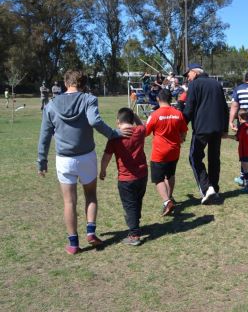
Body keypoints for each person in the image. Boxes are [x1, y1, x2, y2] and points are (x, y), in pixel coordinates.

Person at [37, 70, 131, 254]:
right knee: (91, 195)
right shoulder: (89, 99)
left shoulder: (51, 105)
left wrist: (41, 161)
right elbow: (94, 121)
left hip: (64, 159)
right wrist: (113, 133)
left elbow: (45, 135)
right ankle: (90, 231)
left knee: (69, 202)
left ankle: (73, 244)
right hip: (86, 156)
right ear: (84, 84)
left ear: (66, 83)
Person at [100, 108, 148, 246]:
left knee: (129, 205)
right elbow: (143, 126)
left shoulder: (115, 137)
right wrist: (136, 117)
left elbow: (106, 157)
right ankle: (136, 224)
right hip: (142, 175)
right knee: (137, 201)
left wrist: (103, 171)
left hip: (126, 179)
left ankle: (134, 234)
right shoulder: (139, 131)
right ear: (132, 120)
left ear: (117, 122)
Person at [182, 63, 229, 204]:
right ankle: (214, 188)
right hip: (217, 127)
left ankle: (207, 188)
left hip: (202, 128)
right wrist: (225, 128)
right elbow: (224, 107)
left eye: (188, 74)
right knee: (214, 159)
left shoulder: (194, 85)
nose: (188, 78)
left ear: (195, 72)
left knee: (194, 157)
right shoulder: (216, 84)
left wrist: (181, 126)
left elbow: (189, 109)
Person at [145, 89, 188, 216]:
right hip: (174, 150)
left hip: (159, 152)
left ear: (158, 99)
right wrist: (181, 139)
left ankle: (166, 201)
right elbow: (184, 131)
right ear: (171, 99)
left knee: (158, 179)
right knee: (170, 175)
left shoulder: (155, 114)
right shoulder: (178, 114)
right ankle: (169, 197)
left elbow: (145, 132)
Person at [230, 109, 248, 192]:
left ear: (239, 117)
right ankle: (245, 180)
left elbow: (237, 138)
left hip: (244, 151)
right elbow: (245, 134)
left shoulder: (242, 127)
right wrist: (237, 130)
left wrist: (227, 136)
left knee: (246, 169)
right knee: (247, 167)